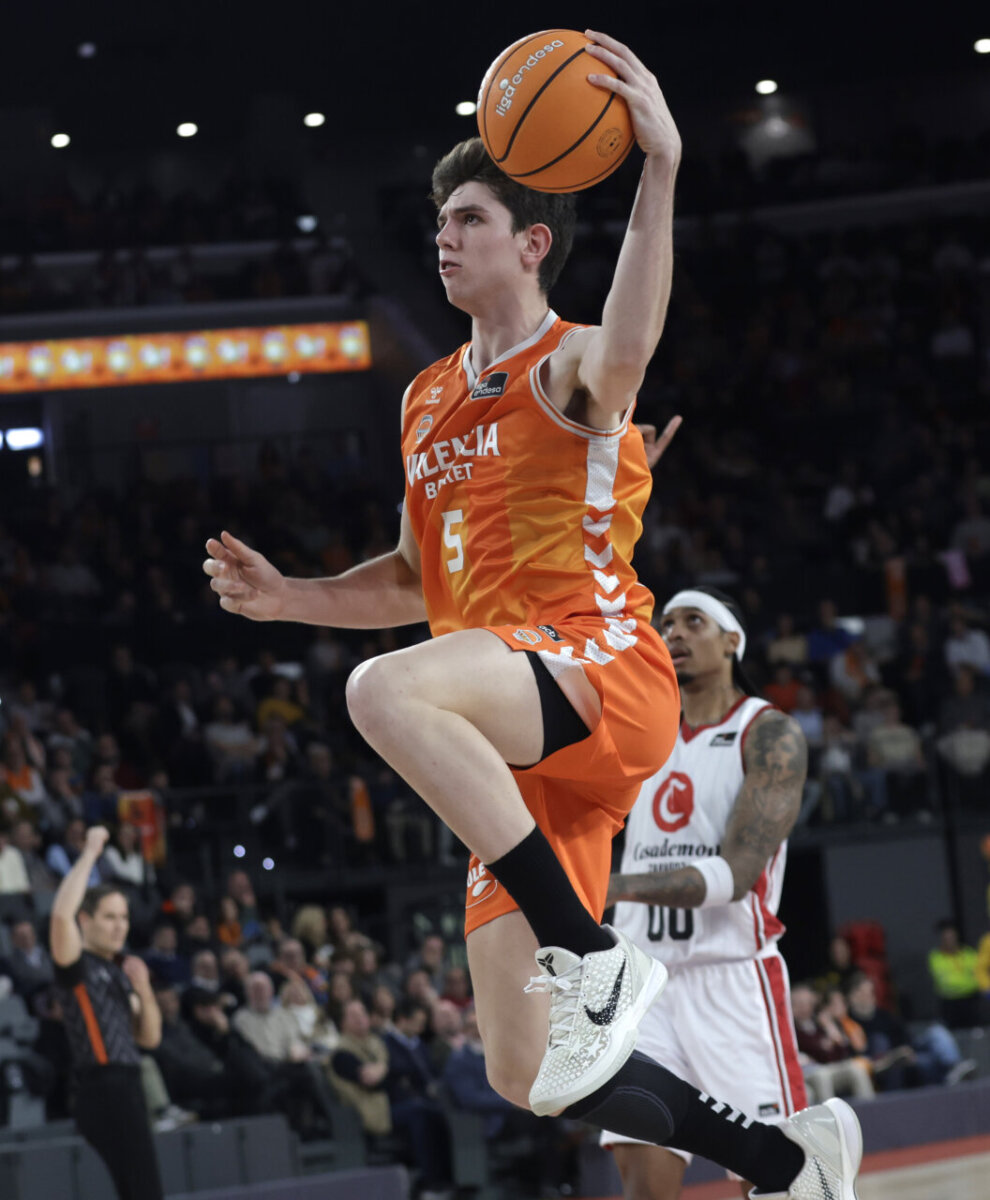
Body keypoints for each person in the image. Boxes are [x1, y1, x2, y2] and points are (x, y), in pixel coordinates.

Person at [203, 31, 861, 1198]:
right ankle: (786, 1160)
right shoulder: (423, 400)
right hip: (515, 729)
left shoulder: (571, 368)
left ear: (533, 242)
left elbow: (639, 336)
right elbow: (412, 580)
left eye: (466, 220)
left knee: (381, 688)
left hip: (599, 671)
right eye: (439, 222)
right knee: (528, 1071)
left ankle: (593, 955)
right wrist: (288, 596)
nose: (442, 239)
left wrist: (658, 171)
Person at [602, 587, 809, 1200]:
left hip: (730, 981)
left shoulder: (769, 733)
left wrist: (610, 887)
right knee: (644, 1184)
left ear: (732, 641)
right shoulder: (642, 733)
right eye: (666, 623)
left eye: (695, 621)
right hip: (642, 983)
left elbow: (738, 873)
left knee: (777, 1183)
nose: (675, 634)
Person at [49, 825, 164, 1200]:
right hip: (102, 1086)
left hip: (130, 1085)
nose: (120, 927)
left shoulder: (118, 970)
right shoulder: (76, 964)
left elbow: (149, 1037)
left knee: (144, 1190)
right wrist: (91, 852)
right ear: (87, 921)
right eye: (110, 917)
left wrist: (145, 991)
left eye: (124, 918)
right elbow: (60, 918)